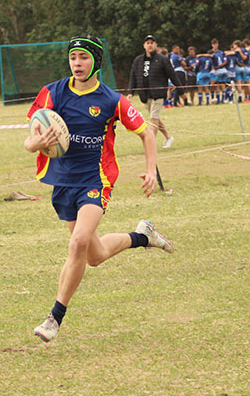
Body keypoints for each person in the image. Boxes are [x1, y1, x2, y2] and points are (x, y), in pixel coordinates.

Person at [25, 34, 174, 343]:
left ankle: (55, 317)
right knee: (93, 255)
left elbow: (147, 134)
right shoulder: (52, 93)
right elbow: (30, 141)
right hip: (62, 182)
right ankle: (142, 236)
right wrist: (38, 143)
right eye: (73, 58)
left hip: (96, 181)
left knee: (78, 242)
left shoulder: (111, 100)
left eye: (83, 58)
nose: (77, 63)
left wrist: (149, 171)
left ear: (95, 62)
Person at [127, 34, 177, 148]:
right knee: (155, 119)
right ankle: (168, 137)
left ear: (156, 45)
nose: (150, 45)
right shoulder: (138, 60)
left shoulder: (161, 59)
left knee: (153, 119)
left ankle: (151, 145)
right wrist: (130, 92)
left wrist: (180, 88)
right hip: (146, 95)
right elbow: (133, 77)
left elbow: (171, 74)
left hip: (159, 94)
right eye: (147, 43)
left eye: (152, 43)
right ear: (144, 45)